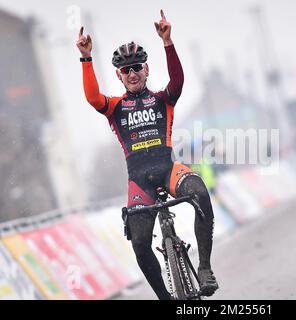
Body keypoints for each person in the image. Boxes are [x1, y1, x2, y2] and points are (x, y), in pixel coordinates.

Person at [76, 10, 219, 299]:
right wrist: (86, 58)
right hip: (138, 181)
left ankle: (204, 268)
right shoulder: (115, 107)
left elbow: (177, 81)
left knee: (199, 191)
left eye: (137, 67)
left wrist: (168, 42)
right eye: (126, 70)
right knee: (140, 243)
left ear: (146, 69)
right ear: (119, 75)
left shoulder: (162, 99)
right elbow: (93, 98)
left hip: (168, 170)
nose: (132, 73)